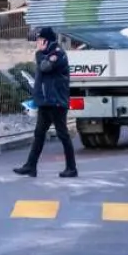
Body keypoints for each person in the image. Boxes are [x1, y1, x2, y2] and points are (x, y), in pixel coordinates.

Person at [15, 26, 78, 178]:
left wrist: (42, 53)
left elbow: (45, 67)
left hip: (56, 102)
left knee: (63, 134)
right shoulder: (43, 54)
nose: (37, 43)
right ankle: (31, 166)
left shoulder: (58, 54)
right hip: (45, 102)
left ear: (45, 40)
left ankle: (71, 168)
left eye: (39, 40)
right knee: (39, 134)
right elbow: (41, 62)